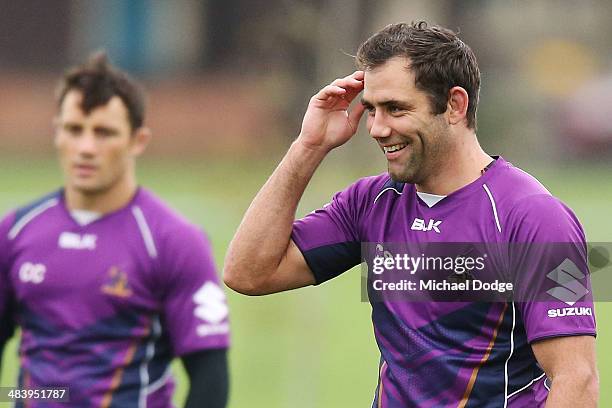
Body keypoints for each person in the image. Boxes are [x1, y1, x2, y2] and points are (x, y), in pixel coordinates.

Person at [224, 21, 598, 407]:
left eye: (396, 109)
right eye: (371, 110)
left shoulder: (535, 217)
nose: (377, 128)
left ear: (455, 105)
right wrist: (308, 146)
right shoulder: (371, 202)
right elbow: (249, 272)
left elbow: (577, 379)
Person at [0, 53, 230, 407]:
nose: (86, 148)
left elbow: (209, 379)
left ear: (138, 140)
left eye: (104, 132)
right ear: (56, 133)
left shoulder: (173, 241)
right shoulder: (15, 233)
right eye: (74, 129)